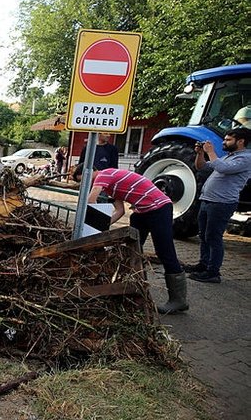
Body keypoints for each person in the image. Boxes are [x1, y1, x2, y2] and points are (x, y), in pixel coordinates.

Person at [73, 164, 187, 314]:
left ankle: (178, 300)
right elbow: (120, 211)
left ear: (92, 171)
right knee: (132, 249)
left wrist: (87, 227)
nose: (88, 183)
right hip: (141, 212)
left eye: (87, 179)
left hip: (159, 208)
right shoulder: (109, 188)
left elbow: (91, 200)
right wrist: (100, 228)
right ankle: (132, 286)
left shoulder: (104, 174)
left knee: (164, 251)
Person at [184, 127, 251, 283]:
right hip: (208, 200)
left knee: (213, 237)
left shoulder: (246, 158)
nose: (224, 142)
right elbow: (201, 167)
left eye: (228, 140)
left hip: (222, 203)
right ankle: (203, 264)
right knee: (204, 235)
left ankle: (213, 272)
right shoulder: (228, 157)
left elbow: (222, 168)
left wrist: (210, 152)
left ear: (241, 142)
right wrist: (200, 153)